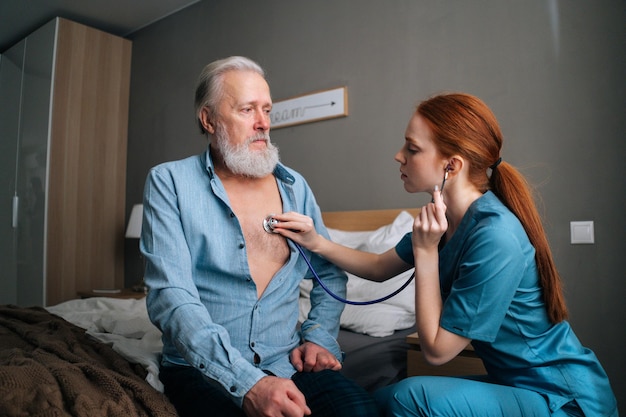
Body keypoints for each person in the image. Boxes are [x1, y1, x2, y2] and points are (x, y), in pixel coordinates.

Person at [272, 93, 617, 416]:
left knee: (408, 398)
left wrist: (425, 253)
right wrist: (316, 241)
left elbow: (437, 351)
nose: (399, 156)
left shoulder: (495, 236)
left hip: (562, 399)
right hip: (517, 386)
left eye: (412, 148)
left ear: (451, 166)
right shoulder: (448, 221)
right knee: (379, 400)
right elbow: (378, 267)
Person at [140, 56, 379, 417]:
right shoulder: (169, 183)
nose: (263, 123)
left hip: (287, 362)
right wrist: (248, 382)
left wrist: (318, 336)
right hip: (204, 371)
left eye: (267, 110)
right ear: (208, 120)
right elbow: (170, 296)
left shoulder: (295, 187)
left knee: (362, 411)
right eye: (247, 109)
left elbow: (328, 272)